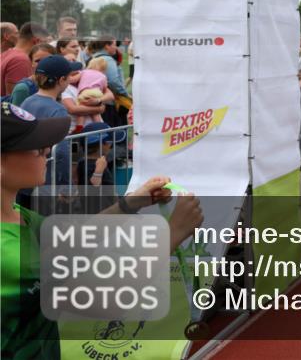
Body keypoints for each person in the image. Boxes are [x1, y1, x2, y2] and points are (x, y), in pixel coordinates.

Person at [0, 101, 204, 360]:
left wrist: (131, 204)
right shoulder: (9, 254)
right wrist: (173, 233)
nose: (47, 150)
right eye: (35, 147)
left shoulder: (16, 214)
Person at [20, 56, 74, 188]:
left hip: (23, 174)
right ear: (62, 80)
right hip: (46, 181)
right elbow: (61, 152)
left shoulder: (27, 101)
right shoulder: (58, 110)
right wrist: (65, 185)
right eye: (69, 76)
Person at [88, 37, 130, 126]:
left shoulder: (92, 58)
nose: (116, 48)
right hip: (110, 104)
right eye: (114, 45)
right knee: (117, 134)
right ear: (107, 46)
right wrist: (125, 94)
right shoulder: (108, 60)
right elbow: (113, 81)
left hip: (97, 101)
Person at [1, 23, 49, 97]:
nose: (47, 47)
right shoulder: (20, 60)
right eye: (45, 43)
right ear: (36, 41)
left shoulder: (7, 54)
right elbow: (16, 99)